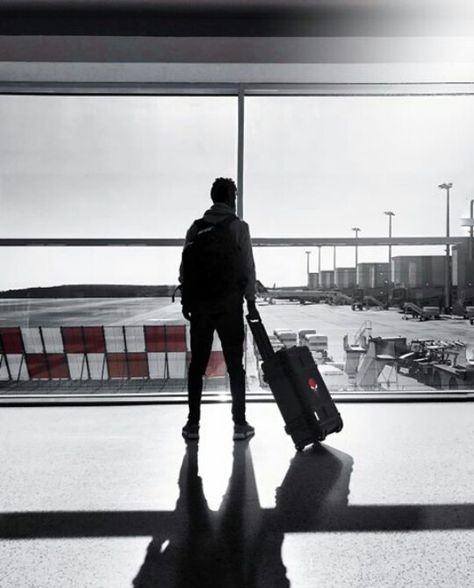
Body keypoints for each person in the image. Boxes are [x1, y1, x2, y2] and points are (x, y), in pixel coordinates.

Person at [179, 177, 259, 441]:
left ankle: (193, 425)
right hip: (229, 305)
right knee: (235, 365)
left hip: (201, 306)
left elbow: (184, 269)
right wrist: (250, 299)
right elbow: (247, 266)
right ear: (231, 198)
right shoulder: (238, 227)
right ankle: (239, 424)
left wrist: (187, 301)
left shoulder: (196, 227)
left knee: (197, 366)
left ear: (213, 198)